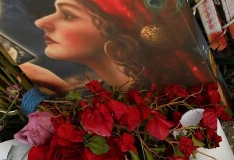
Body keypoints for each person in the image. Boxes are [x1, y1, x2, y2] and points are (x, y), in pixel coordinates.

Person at [19, 0, 147, 94]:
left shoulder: (151, 95)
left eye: (68, 15)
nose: (40, 22)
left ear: (114, 30)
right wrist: (61, 88)